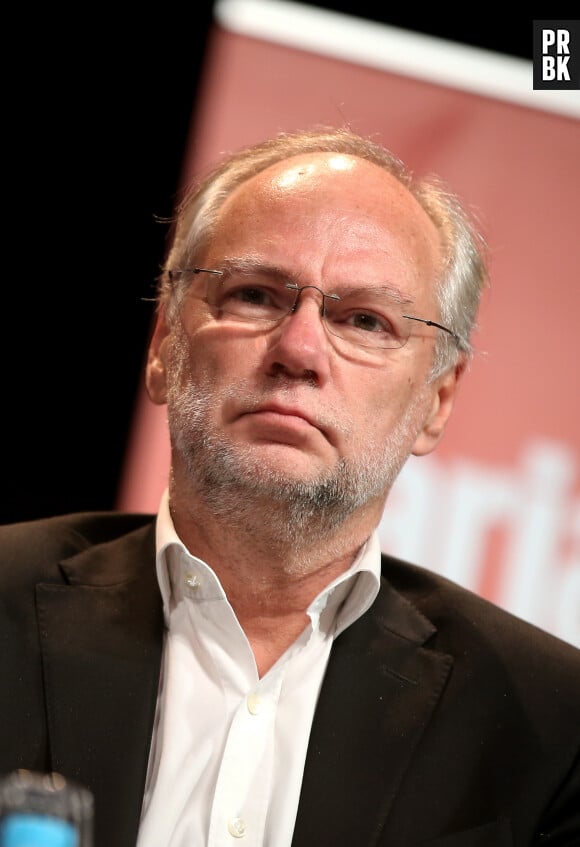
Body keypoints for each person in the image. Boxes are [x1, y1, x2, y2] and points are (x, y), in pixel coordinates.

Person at [1, 126, 579, 847]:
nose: (300, 350)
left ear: (436, 400)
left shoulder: (552, 730)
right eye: (253, 294)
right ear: (162, 347)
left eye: (365, 320)